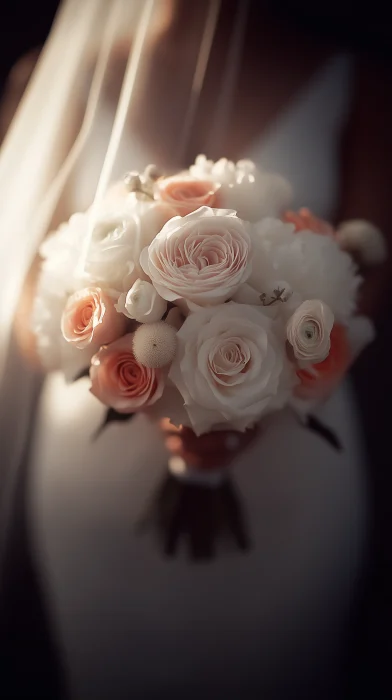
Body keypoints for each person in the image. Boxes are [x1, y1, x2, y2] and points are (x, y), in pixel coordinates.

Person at [1, 1, 392, 697]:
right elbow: (25, 300)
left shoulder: (359, 85)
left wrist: (256, 394)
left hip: (290, 479)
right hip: (96, 488)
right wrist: (129, 364)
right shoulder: (58, 77)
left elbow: (368, 285)